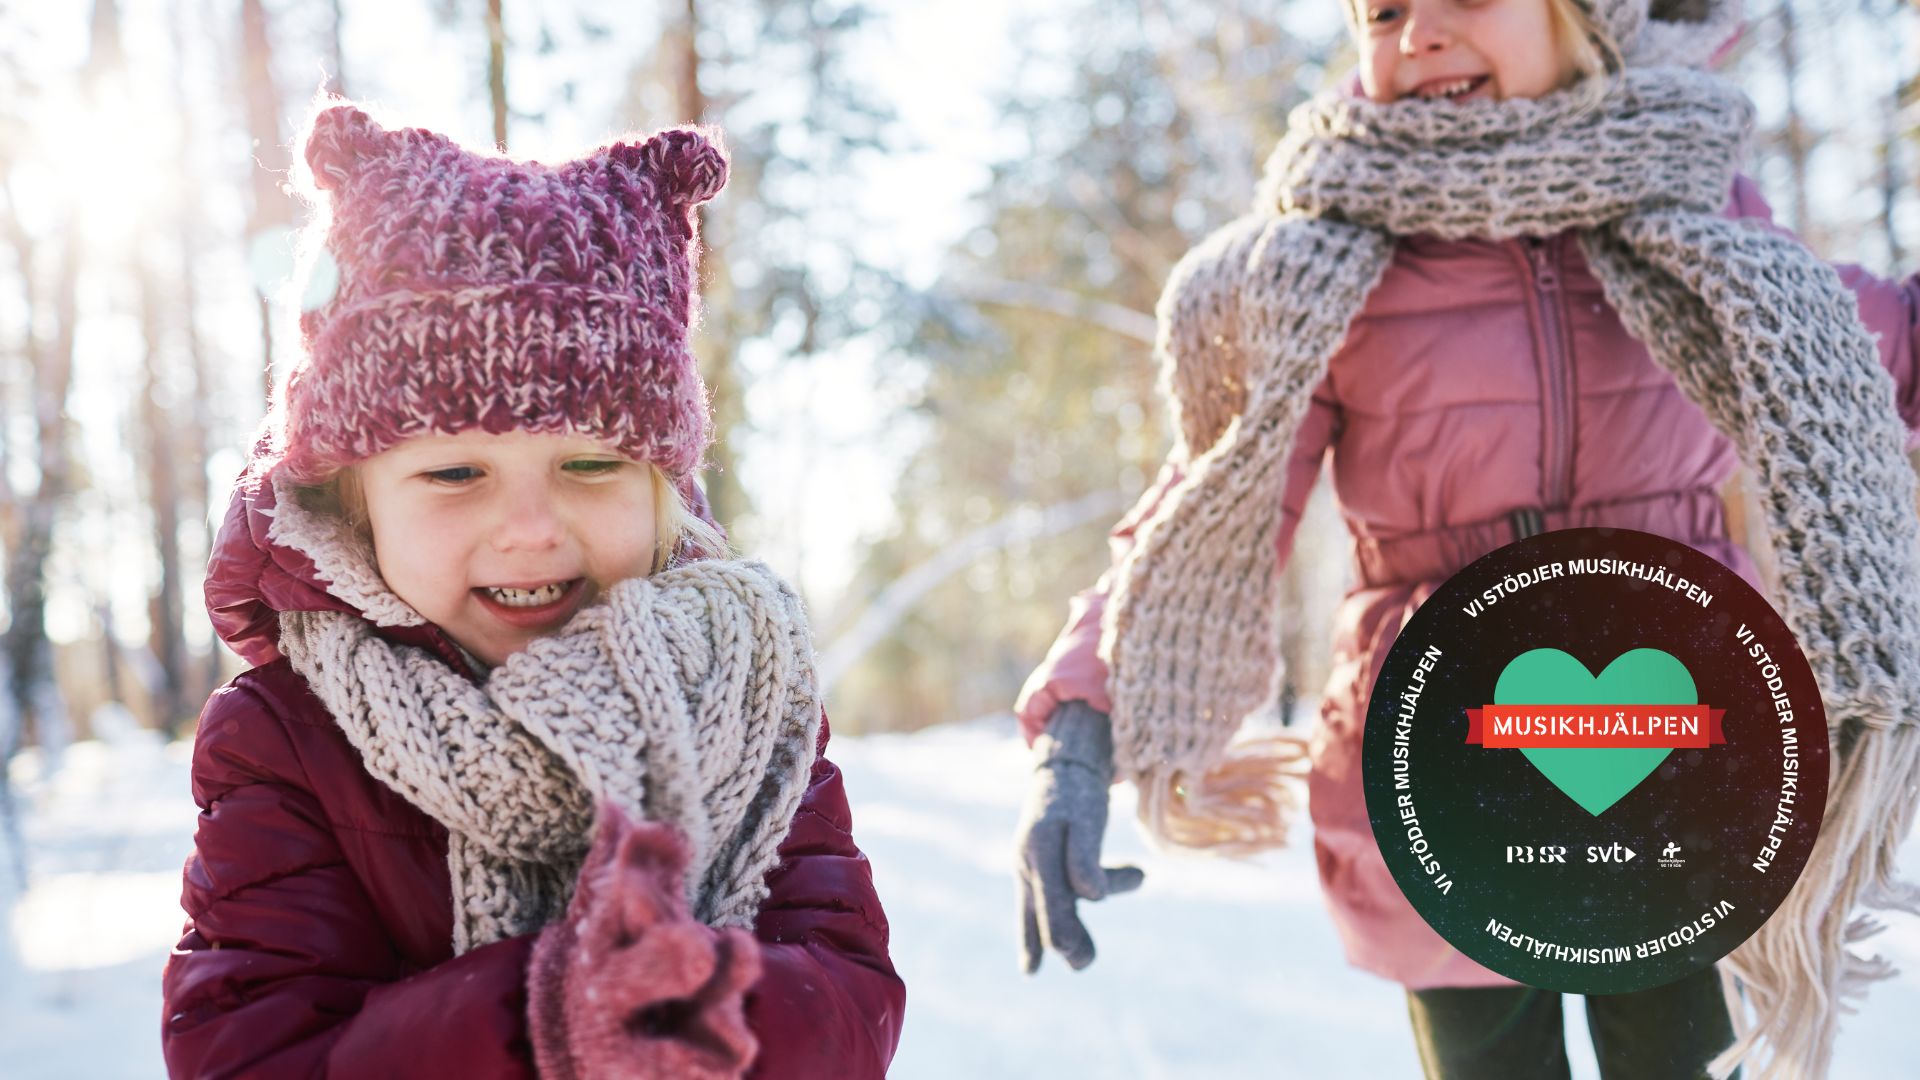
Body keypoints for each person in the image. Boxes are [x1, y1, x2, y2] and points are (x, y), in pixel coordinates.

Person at [1012, 0, 1920, 1077]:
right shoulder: (1322, 266)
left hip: (1687, 750)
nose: (1419, 35)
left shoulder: (1701, 207)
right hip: (1444, 769)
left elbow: (1878, 342)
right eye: (1384, 11)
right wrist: (1080, 730)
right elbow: (1197, 514)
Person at [161, 102, 904, 1079]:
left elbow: (847, 990)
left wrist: (700, 1003)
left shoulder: (745, 698)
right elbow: (252, 1047)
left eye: (590, 465)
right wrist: (548, 1017)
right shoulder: (285, 738)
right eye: (454, 473)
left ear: (662, 487)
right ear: (351, 499)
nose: (530, 529)